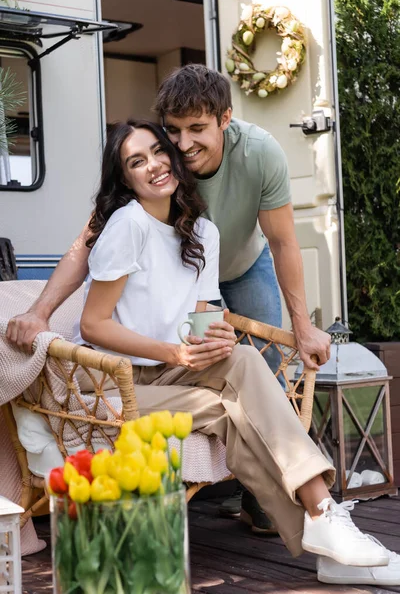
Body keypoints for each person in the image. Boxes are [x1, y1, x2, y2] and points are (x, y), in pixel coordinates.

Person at [6, 64, 331, 533]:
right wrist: (40, 311)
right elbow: (88, 244)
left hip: (238, 261)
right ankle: (315, 520)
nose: (180, 145)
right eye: (172, 133)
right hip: (154, 326)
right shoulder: (152, 185)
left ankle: (288, 513)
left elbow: (282, 243)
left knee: (253, 364)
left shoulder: (257, 156)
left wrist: (299, 326)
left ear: (225, 119)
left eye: (196, 129)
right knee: (233, 380)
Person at [71, 118, 390, 573]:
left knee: (239, 355)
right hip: (116, 383)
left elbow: (197, 321)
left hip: (168, 370)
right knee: (232, 412)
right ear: (124, 179)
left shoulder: (202, 232)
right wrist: (175, 353)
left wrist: (212, 335)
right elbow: (93, 325)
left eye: (159, 151)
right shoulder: (128, 226)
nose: (155, 165)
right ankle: (323, 521)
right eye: (136, 162)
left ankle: (324, 528)